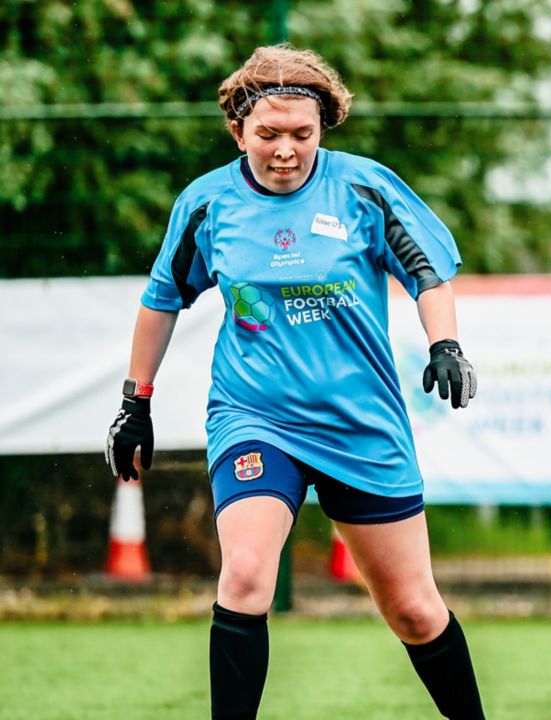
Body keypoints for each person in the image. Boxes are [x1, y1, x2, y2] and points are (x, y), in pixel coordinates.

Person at [104, 45, 485, 720]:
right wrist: (136, 403)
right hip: (255, 416)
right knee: (247, 575)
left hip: (360, 425)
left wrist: (446, 343)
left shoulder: (365, 189)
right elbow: (162, 300)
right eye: (269, 134)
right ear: (238, 131)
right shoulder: (208, 203)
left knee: (414, 610)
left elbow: (430, 275)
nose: (286, 150)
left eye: (302, 135)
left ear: (323, 128)